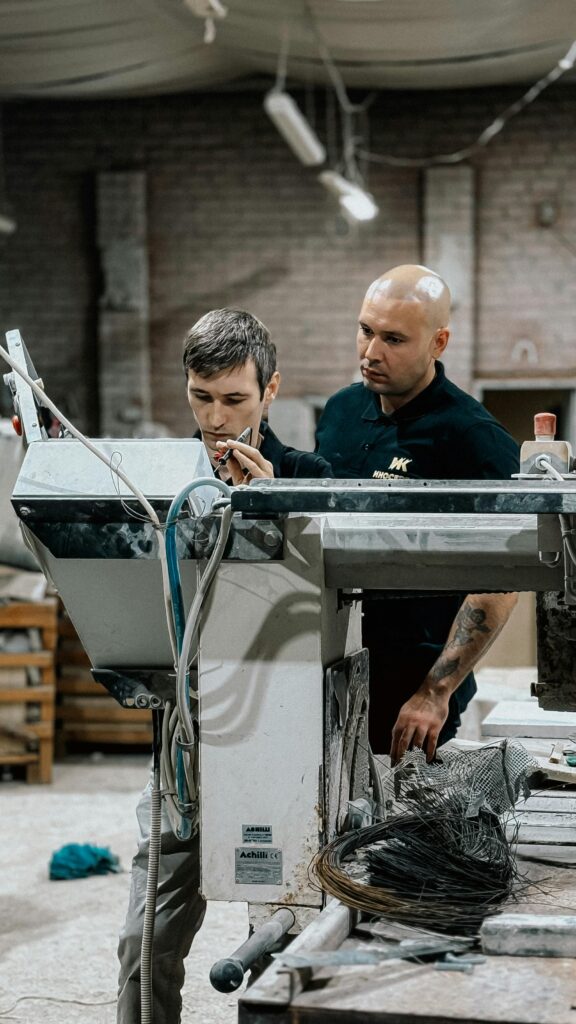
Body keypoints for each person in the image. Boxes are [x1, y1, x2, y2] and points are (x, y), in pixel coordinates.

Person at [117, 308, 331, 1024]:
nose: (216, 419)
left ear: (270, 393)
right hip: (184, 739)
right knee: (144, 940)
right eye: (201, 398)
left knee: (276, 939)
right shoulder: (159, 481)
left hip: (282, 739)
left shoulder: (309, 474)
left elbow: (329, 606)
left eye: (235, 399)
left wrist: (276, 509)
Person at [315, 264, 520, 765]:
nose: (370, 352)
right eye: (365, 330)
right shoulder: (341, 412)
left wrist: (436, 691)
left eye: (394, 339)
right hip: (331, 673)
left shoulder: (473, 438)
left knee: (401, 836)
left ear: (439, 342)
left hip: (415, 698)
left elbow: (501, 581)